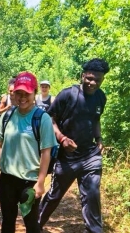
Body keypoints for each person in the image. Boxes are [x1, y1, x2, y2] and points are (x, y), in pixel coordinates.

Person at [38, 58, 110, 233]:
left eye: (98, 80)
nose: (93, 83)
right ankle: (35, 224)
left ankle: (94, 230)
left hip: (90, 156)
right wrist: (62, 138)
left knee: (92, 194)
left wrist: (99, 139)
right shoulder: (68, 94)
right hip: (66, 158)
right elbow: (49, 119)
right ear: (82, 75)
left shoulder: (101, 97)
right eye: (90, 78)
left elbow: (96, 120)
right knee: (55, 195)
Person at [0, 72, 58, 233]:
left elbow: (46, 153)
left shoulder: (42, 119)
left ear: (34, 93)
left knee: (32, 225)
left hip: (30, 182)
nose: (22, 97)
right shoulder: (7, 116)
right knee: (7, 222)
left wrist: (40, 183)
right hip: (7, 179)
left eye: (26, 93)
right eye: (19, 93)